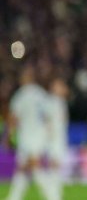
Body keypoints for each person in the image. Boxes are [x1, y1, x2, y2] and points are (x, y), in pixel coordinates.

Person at [5, 68, 57, 200]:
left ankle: (53, 196)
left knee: (33, 167)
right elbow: (49, 117)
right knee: (23, 169)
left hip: (27, 137)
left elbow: (13, 118)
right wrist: (49, 136)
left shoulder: (21, 95)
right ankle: (14, 197)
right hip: (39, 137)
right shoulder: (41, 94)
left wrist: (9, 136)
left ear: (25, 79)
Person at [44, 79, 70, 200]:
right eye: (60, 86)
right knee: (54, 165)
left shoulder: (61, 102)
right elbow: (46, 120)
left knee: (57, 166)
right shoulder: (50, 102)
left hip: (60, 138)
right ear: (53, 87)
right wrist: (49, 136)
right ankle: (53, 194)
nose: (63, 88)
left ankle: (56, 192)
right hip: (53, 139)